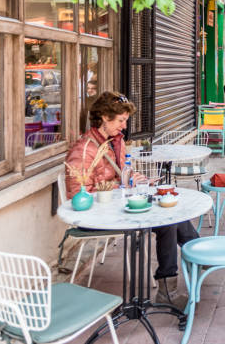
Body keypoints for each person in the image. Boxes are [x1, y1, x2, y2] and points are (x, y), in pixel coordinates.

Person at [65, 91, 198, 308]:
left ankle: (179, 276)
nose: (124, 127)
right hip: (98, 217)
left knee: (169, 213)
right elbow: (77, 197)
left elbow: (121, 175)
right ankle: (196, 260)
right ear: (105, 118)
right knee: (167, 220)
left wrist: (134, 178)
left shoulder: (115, 142)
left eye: (126, 121)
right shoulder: (84, 150)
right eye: (121, 121)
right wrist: (120, 186)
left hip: (118, 207)